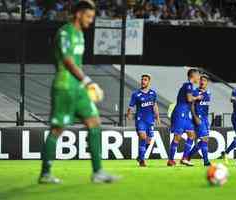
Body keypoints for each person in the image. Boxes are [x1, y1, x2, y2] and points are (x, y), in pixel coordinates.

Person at [39, 0, 119, 184]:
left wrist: (83, 84)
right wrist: (87, 80)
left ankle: (98, 172)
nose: (91, 21)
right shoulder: (65, 32)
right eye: (89, 17)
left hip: (78, 88)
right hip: (65, 87)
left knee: (94, 122)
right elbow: (67, 60)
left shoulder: (80, 34)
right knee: (57, 129)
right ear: (79, 14)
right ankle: (45, 173)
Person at [167, 68, 202, 167]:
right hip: (180, 113)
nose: (199, 77)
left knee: (192, 135)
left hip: (185, 114)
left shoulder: (189, 86)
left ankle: (185, 158)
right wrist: (197, 98)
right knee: (177, 137)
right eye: (198, 75)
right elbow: (189, 99)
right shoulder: (188, 85)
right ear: (193, 75)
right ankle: (170, 160)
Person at [127, 74, 161, 167]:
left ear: (149, 82)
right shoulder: (136, 94)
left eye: (145, 80)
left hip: (150, 120)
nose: (143, 81)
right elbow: (131, 106)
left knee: (149, 141)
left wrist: (157, 116)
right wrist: (129, 114)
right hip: (140, 120)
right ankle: (142, 161)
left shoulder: (153, 93)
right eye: (142, 80)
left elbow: (154, 105)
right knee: (143, 137)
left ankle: (140, 156)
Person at [187, 74, 211, 166]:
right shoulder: (195, 92)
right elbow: (191, 105)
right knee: (204, 139)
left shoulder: (208, 93)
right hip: (198, 118)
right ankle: (206, 161)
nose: (202, 82)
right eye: (201, 80)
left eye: (204, 81)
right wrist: (195, 117)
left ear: (207, 83)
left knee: (204, 140)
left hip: (205, 119)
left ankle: (188, 156)